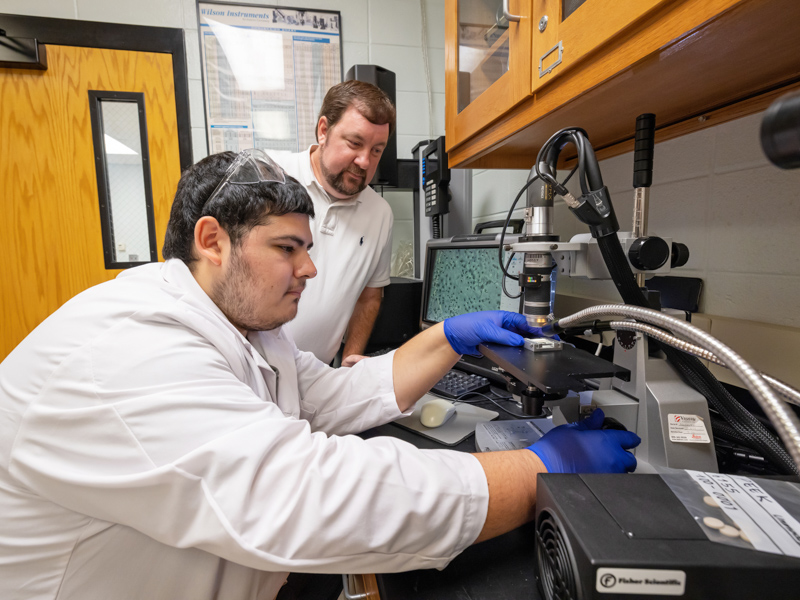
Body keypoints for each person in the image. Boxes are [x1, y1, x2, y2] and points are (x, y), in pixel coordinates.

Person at [0, 150, 640, 600]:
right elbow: (309, 499)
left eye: (308, 247)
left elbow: (333, 391)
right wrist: (542, 473)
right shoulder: (132, 348)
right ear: (212, 240)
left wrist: (445, 338)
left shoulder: (241, 328)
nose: (309, 270)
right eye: (287, 248)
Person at [269, 80, 395, 365]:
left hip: (318, 377)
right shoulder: (272, 176)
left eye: (377, 150)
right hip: (248, 370)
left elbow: (369, 297)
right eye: (355, 143)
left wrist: (350, 361)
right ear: (324, 130)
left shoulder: (380, 214)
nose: (364, 161)